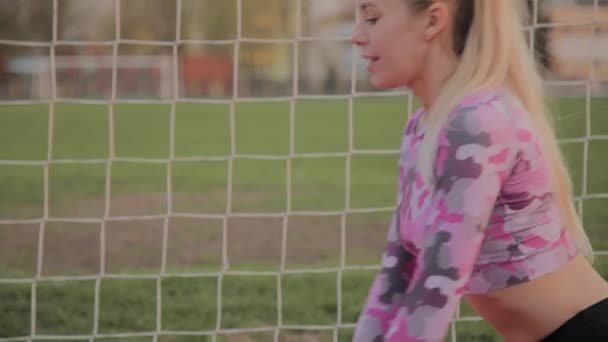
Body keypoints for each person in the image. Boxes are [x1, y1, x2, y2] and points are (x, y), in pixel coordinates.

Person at [350, 0, 608, 341]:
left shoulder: (478, 122)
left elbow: (438, 283)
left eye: (372, 18)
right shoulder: (421, 127)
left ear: (432, 20)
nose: (356, 36)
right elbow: (396, 272)